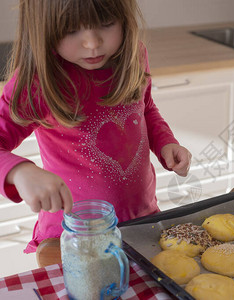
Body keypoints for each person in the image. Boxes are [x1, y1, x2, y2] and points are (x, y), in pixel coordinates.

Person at [0, 0, 192, 253]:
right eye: (70, 30)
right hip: (74, 238)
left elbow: (144, 108)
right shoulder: (37, 82)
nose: (92, 43)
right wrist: (20, 171)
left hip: (141, 220)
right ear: (43, 29)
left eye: (106, 23)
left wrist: (165, 142)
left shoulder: (133, 55)